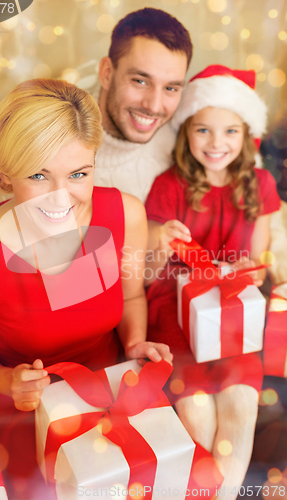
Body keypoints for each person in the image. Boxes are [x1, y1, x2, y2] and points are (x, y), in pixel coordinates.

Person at [0, 78, 173, 500]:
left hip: (109, 389)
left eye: (78, 174)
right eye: (38, 175)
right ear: (5, 176)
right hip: (23, 411)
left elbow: (129, 297)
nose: (59, 198)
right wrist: (9, 382)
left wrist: (135, 343)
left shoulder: (125, 215)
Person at [0, 7, 192, 302]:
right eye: (140, 81)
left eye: (171, 88)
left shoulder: (185, 146)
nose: (154, 105)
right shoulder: (51, 128)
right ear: (107, 72)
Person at [144, 65, 281, 500]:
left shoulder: (259, 183)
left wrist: (248, 272)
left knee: (240, 407)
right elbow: (147, 267)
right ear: (186, 132)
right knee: (199, 414)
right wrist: (161, 239)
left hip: (233, 307)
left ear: (246, 136)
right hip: (175, 305)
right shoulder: (169, 185)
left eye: (230, 132)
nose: (216, 143)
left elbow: (258, 263)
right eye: (203, 130)